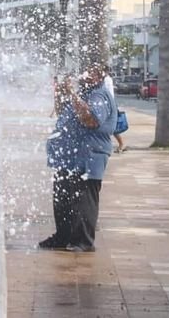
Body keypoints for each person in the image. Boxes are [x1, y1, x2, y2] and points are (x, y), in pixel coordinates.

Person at [40, 63, 117, 252]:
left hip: (88, 157)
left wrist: (72, 95)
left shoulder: (98, 95)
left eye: (89, 72)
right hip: (69, 157)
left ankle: (83, 241)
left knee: (84, 200)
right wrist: (60, 93)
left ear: (99, 77)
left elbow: (90, 120)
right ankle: (63, 236)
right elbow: (61, 112)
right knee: (63, 198)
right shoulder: (83, 94)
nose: (83, 76)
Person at [102, 67, 126, 153]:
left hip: (108, 105)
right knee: (110, 127)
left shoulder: (106, 80)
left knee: (112, 127)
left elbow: (107, 93)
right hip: (108, 104)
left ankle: (121, 144)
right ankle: (120, 145)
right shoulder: (107, 79)